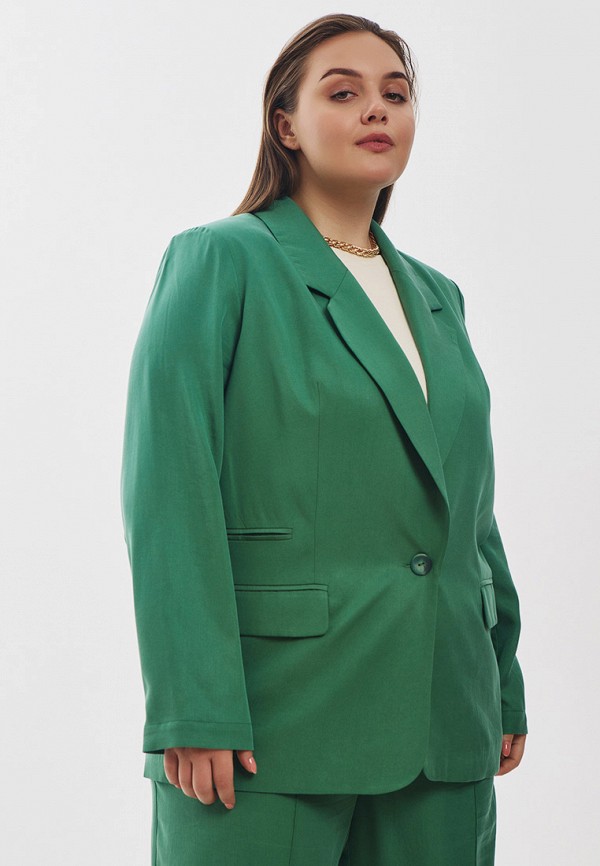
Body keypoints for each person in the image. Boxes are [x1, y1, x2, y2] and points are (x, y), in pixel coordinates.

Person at [120, 12, 528, 866]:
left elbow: (468, 506)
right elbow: (169, 491)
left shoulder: (440, 297)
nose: (376, 109)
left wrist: (501, 678)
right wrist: (193, 706)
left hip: (445, 713)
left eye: (396, 94)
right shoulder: (222, 261)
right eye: (342, 93)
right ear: (286, 126)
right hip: (270, 722)